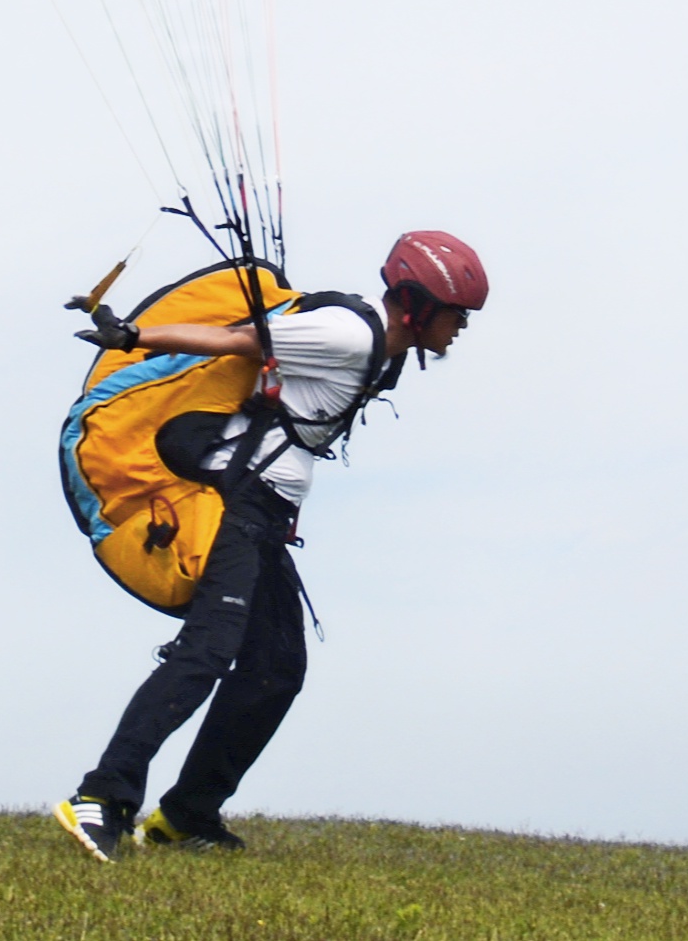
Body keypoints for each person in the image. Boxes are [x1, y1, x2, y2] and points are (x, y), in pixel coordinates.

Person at [52, 228, 489, 862]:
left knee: (277, 670)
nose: (462, 329)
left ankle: (186, 814)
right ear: (419, 305)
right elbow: (239, 341)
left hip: (266, 517)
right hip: (236, 506)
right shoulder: (349, 334)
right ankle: (102, 798)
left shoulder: (384, 352)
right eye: (457, 315)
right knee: (206, 653)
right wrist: (133, 339)